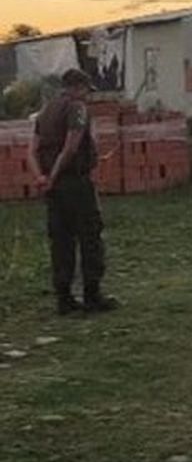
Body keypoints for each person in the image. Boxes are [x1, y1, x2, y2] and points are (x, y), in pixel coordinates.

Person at [29, 67, 118, 316]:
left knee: (61, 241)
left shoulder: (45, 111)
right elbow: (70, 148)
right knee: (90, 237)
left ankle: (64, 299)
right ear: (78, 87)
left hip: (52, 187)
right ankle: (92, 296)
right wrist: (55, 175)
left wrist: (41, 177)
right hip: (75, 183)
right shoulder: (77, 108)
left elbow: (31, 150)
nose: (87, 96)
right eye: (86, 91)